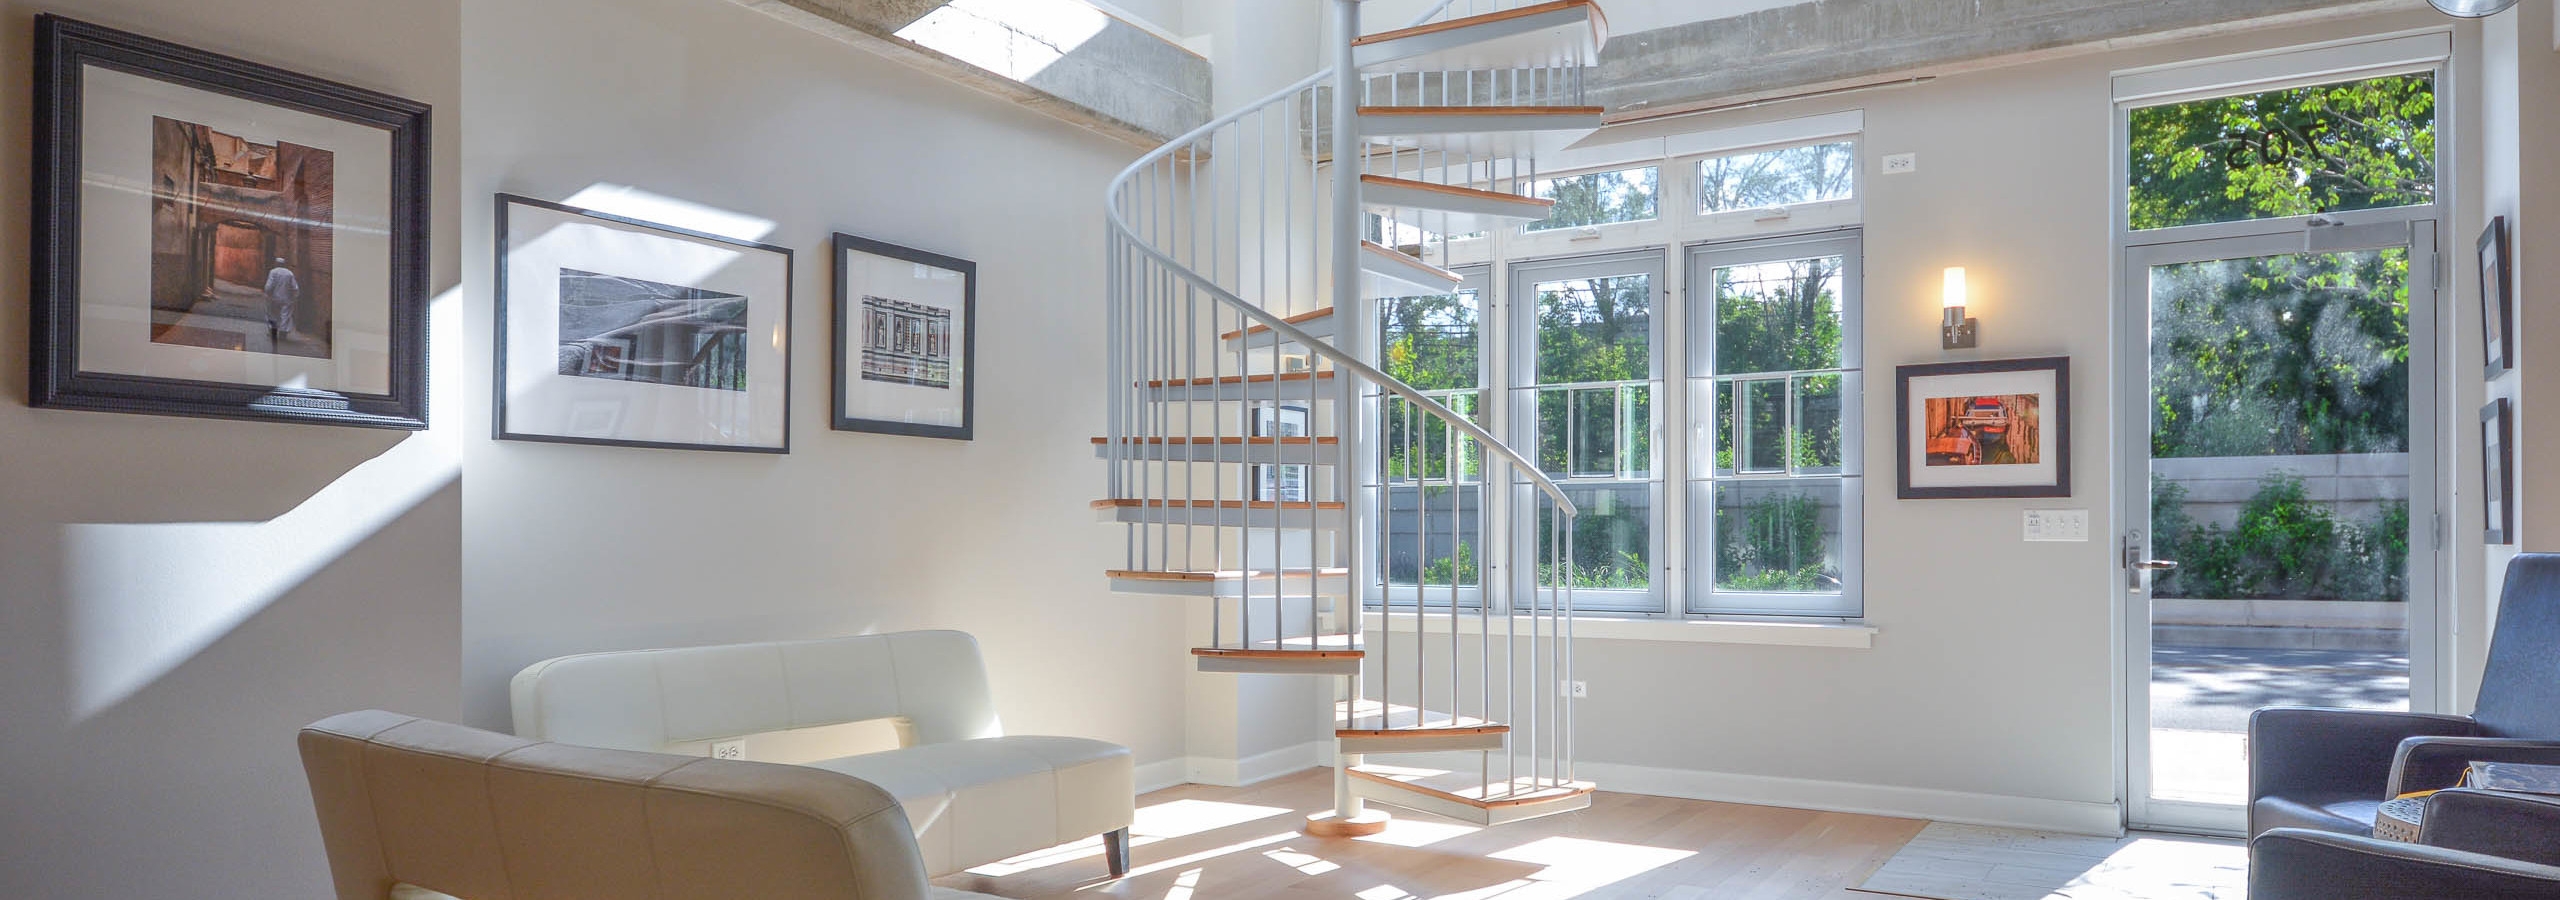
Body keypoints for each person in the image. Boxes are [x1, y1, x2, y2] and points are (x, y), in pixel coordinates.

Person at [263, 257, 300, 342]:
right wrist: (295, 297)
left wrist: (267, 294)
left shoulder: (273, 272)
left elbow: (269, 286)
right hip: (287, 299)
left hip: (274, 298)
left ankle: (273, 330)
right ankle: (283, 333)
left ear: (276, 263)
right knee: (285, 315)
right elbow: (295, 287)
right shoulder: (289, 273)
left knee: (273, 314)